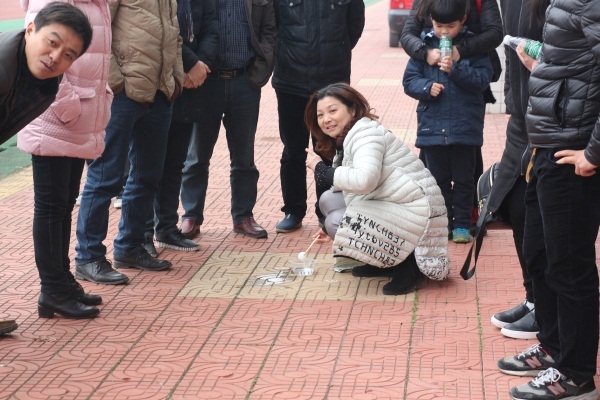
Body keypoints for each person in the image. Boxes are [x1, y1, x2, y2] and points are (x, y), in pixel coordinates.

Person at [496, 1, 600, 399]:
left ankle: (576, 375)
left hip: (572, 151)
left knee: (569, 267)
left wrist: (593, 153)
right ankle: (554, 348)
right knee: (540, 254)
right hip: (546, 143)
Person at [74, 0, 183, 284]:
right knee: (105, 177)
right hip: (122, 95)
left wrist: (175, 78)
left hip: (159, 93)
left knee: (148, 175)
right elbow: (97, 31)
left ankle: (130, 247)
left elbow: (174, 35)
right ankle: (88, 257)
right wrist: (116, 82)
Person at [305, 83, 450, 295]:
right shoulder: (348, 136)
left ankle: (408, 266)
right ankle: (384, 262)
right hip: (396, 200)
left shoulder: (365, 134)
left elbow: (364, 181)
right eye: (320, 115)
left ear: (352, 109)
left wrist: (322, 170)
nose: (326, 119)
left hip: (416, 206)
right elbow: (356, 188)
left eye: (333, 111)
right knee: (328, 200)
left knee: (337, 221)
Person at [0, 1, 92, 332]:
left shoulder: (43, 83)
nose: (55, 57)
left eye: (68, 54)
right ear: (30, 29)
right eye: (52, 43)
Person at [18, 0, 111, 319]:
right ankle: (53, 290)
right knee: (50, 207)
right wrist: (71, 108)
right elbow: (40, 58)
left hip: (79, 122)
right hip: (55, 119)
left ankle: (62, 281)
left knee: (63, 204)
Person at [401, 0, 503, 233]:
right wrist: (425, 54)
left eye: (450, 26)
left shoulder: (473, 39)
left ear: (462, 20)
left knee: (465, 174)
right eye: (439, 26)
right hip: (432, 122)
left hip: (465, 116)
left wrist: (461, 53)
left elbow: (494, 33)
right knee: (436, 177)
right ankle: (442, 222)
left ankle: (464, 222)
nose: (444, 32)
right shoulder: (427, 41)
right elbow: (407, 35)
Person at [178, 0, 276, 240]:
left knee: (244, 157)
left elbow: (270, 30)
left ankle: (243, 216)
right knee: (196, 156)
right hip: (204, 82)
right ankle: (191, 215)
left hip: (244, 81)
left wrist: (260, 68)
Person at [272, 0, 365, 234]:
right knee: (293, 149)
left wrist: (337, 50)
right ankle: (293, 211)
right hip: (290, 80)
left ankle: (326, 210)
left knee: (330, 148)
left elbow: (355, 25)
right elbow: (271, 25)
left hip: (331, 80)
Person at [487, 0, 548, 340]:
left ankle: (547, 308)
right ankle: (533, 297)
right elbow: (511, 52)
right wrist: (513, 103)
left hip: (553, 118)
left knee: (543, 220)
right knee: (516, 208)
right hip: (522, 120)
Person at [146, 0, 218, 252]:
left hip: (189, 87)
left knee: (175, 163)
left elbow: (211, 27)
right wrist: (191, 63)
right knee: (148, 166)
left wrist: (201, 66)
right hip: (158, 82)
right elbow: (161, 29)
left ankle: (166, 228)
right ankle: (141, 234)